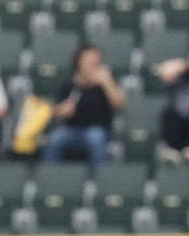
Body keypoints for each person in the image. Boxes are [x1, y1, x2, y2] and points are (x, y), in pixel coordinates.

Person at [40, 45, 126, 173]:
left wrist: (107, 83)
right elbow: (54, 110)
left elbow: (120, 104)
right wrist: (62, 111)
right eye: (89, 62)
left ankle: (98, 180)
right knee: (55, 138)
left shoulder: (105, 83)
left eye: (96, 62)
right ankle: (49, 177)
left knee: (95, 139)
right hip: (71, 129)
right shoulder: (68, 83)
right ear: (79, 63)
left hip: (97, 128)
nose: (93, 65)